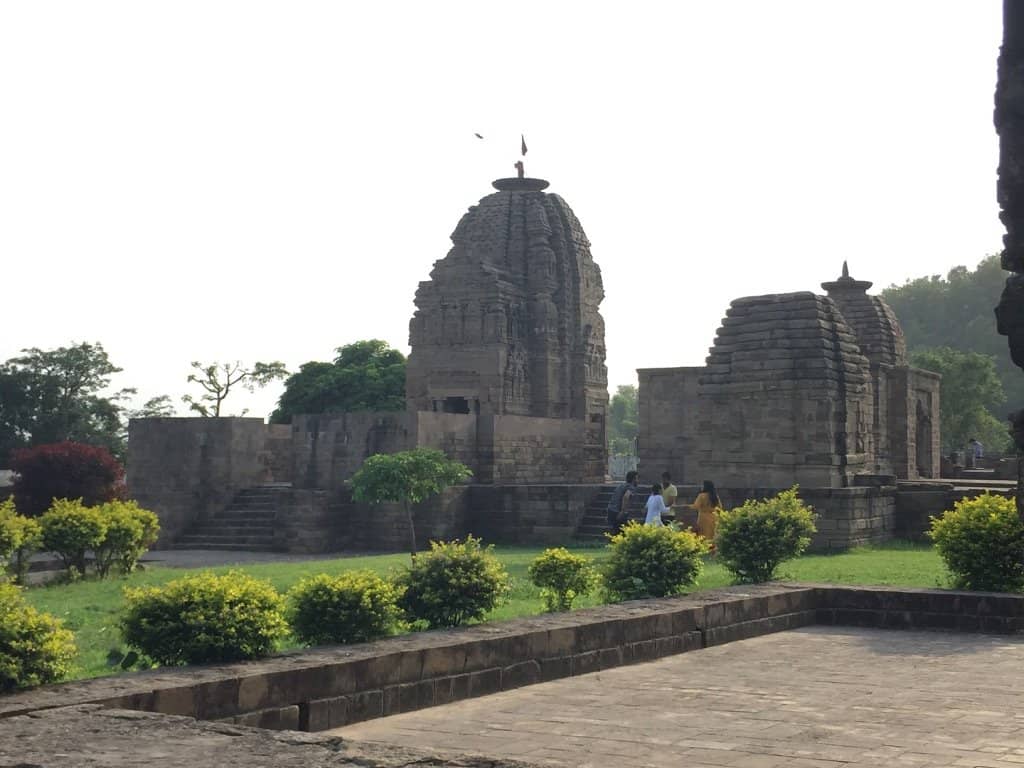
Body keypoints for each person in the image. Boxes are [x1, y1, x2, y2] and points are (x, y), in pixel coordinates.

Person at [606, 470, 638, 534]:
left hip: (611, 510)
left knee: (615, 532)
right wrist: (622, 511)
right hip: (618, 512)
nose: (638, 481)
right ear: (633, 479)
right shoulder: (631, 487)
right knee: (622, 533)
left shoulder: (620, 486)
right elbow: (626, 497)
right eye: (637, 478)